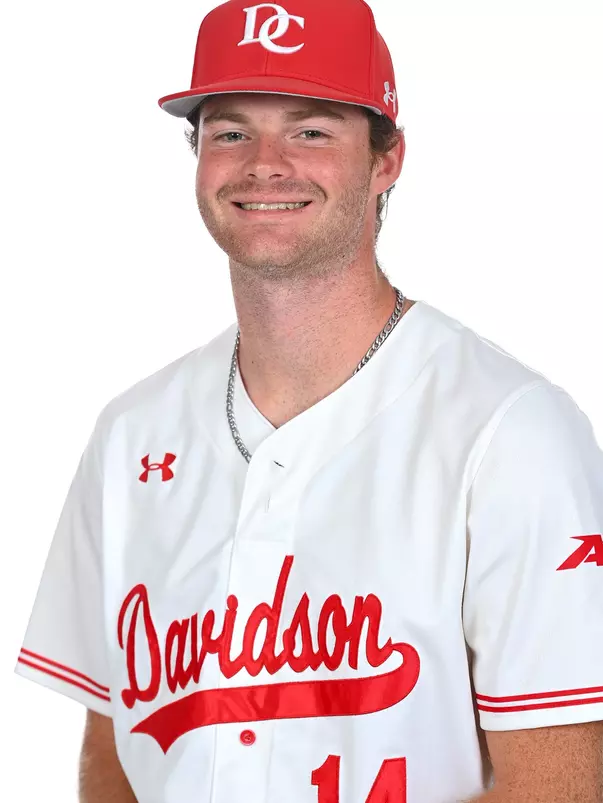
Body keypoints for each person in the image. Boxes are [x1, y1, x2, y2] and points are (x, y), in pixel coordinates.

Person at [15, 1, 603, 801]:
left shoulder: (510, 432)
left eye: (311, 130)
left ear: (385, 160)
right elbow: (113, 751)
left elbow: (560, 787)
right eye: (229, 131)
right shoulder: (129, 435)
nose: (264, 162)